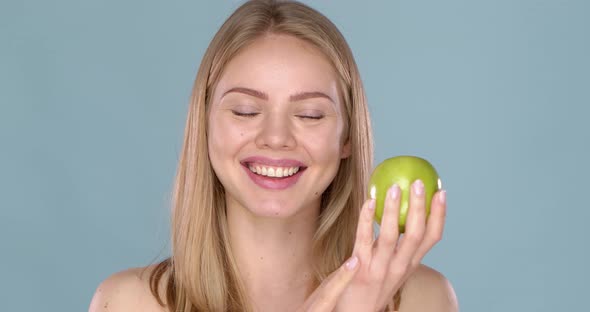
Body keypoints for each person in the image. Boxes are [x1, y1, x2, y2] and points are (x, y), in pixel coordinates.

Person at [89, 0, 458, 311]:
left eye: (310, 114)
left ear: (347, 137)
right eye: (246, 111)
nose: (276, 138)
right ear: (204, 126)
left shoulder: (422, 299)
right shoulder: (130, 302)